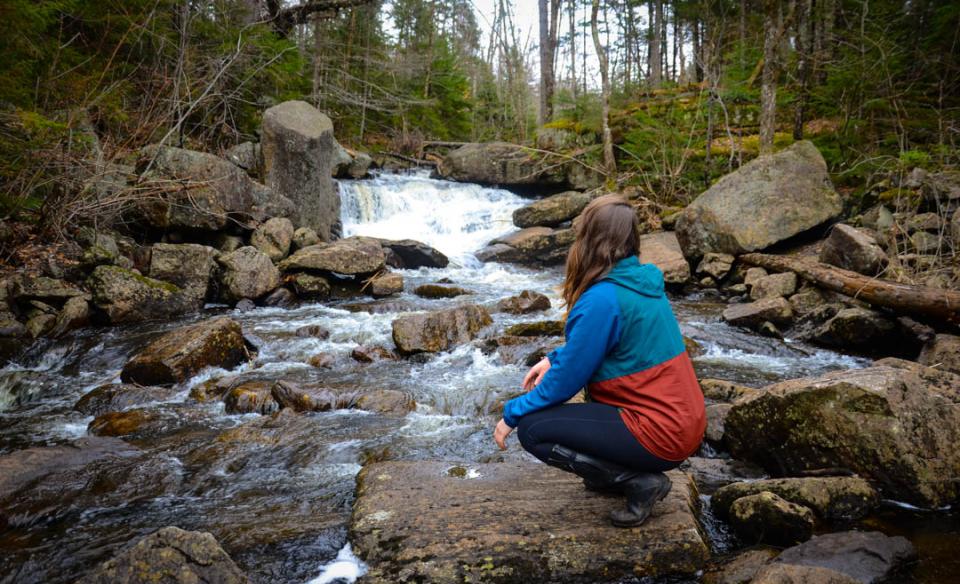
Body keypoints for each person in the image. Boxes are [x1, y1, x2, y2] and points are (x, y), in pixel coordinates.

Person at [493, 194, 706, 528]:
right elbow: (610, 346)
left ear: (591, 241)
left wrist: (512, 413)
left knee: (533, 430)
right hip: (684, 424)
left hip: (659, 432)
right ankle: (615, 475)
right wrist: (555, 358)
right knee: (556, 416)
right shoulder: (640, 283)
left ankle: (638, 482)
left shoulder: (602, 299)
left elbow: (565, 385)